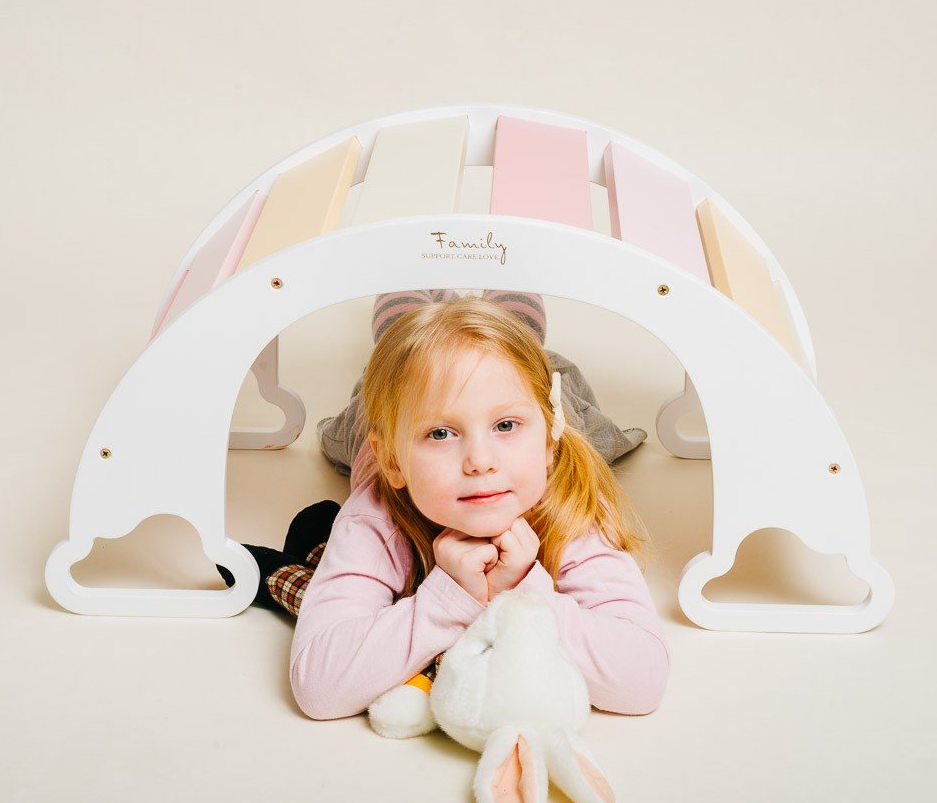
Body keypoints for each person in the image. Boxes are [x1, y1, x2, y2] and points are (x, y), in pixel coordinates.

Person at [219, 290, 668, 719]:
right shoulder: (376, 512)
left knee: (524, 344)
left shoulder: (572, 503)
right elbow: (320, 686)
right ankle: (409, 302)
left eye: (506, 425)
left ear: (549, 445)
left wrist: (521, 595)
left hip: (547, 406)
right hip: (373, 420)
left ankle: (513, 321)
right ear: (392, 460)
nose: (480, 461)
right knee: (396, 357)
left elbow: (642, 679)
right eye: (440, 434)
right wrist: (450, 597)